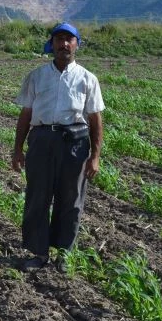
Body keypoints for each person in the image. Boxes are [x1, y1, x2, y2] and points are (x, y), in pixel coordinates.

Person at [11, 22, 104, 271]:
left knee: (71, 199)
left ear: (76, 44)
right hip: (41, 140)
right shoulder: (36, 76)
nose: (64, 44)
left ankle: (64, 253)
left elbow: (95, 119)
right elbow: (26, 114)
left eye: (69, 40)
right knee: (37, 197)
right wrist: (18, 148)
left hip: (75, 143)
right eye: (59, 39)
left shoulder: (87, 79)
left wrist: (95, 156)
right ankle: (38, 253)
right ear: (51, 44)